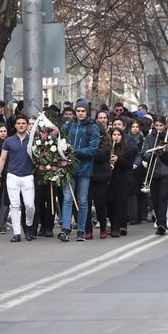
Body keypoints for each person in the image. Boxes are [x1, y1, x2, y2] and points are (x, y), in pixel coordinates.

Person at [60, 101, 101, 241]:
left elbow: (93, 149)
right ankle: (65, 228)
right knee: (67, 199)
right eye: (78, 111)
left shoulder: (93, 127)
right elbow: (60, 142)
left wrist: (75, 151)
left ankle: (81, 230)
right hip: (69, 168)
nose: (81, 113)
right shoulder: (68, 125)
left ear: (87, 112)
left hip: (84, 170)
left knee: (83, 200)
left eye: (83, 111)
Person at [0, 115, 36, 241]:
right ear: (15, 125)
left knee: (29, 205)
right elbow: (2, 159)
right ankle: (17, 233)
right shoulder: (9, 141)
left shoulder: (33, 140)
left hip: (28, 175)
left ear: (27, 125)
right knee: (15, 205)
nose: (21, 125)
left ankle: (28, 226)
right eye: (19, 123)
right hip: (12, 175)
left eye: (23, 123)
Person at [140, 115, 168, 235]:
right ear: (153, 126)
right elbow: (143, 154)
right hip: (153, 172)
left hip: (166, 172)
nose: (159, 128)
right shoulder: (149, 138)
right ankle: (159, 220)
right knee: (155, 199)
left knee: (163, 197)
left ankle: (162, 223)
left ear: (165, 125)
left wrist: (164, 152)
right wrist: (154, 153)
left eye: (161, 125)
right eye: (157, 125)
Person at [107, 126, 137, 238]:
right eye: (114, 135)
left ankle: (116, 227)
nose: (116, 137)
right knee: (109, 204)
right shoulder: (108, 148)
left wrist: (118, 160)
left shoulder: (127, 149)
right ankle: (113, 224)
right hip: (109, 179)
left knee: (119, 205)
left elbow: (129, 165)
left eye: (118, 135)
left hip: (121, 180)